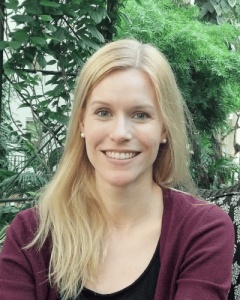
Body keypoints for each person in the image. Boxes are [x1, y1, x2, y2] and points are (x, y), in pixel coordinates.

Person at [0, 39, 234, 300]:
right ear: (82, 124)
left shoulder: (202, 231)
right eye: (103, 112)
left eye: (140, 115)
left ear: (164, 129)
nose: (120, 133)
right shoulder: (32, 234)